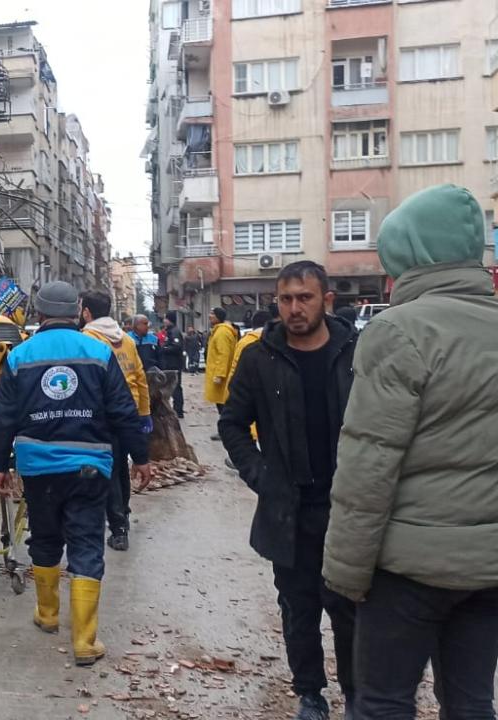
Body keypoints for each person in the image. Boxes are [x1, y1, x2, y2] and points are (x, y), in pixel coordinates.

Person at [322, 184, 498, 720]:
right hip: (488, 565)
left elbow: (368, 463)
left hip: (407, 570)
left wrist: (345, 573)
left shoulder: (398, 330)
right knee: (471, 703)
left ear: (412, 254)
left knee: (383, 703)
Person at [219, 261, 358, 720]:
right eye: (285, 299)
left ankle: (356, 694)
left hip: (350, 508)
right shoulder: (260, 358)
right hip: (289, 509)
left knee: (350, 608)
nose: (294, 309)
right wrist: (260, 475)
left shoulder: (355, 351)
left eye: (305, 297)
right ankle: (310, 694)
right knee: (299, 607)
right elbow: (233, 424)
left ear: (326, 300)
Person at [0, 282, 152, 667]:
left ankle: (47, 615)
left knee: (45, 537)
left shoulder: (19, 356)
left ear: (38, 312)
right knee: (85, 543)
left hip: (37, 467)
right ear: (78, 310)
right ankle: (84, 641)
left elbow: (4, 418)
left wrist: (0, 465)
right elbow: (122, 411)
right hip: (89, 466)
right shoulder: (98, 352)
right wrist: (141, 457)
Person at [80, 291, 150, 553]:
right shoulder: (127, 340)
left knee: (106, 470)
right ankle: (124, 516)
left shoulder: (88, 339)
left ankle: (118, 528)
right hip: (128, 411)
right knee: (121, 466)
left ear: (87, 312)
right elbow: (140, 377)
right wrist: (144, 412)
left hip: (102, 414)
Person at [203, 307, 239, 427]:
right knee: (221, 403)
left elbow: (223, 355)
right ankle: (225, 428)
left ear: (218, 317)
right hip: (219, 373)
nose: (209, 316)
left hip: (221, 377)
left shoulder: (222, 332)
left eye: (212, 314)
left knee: (223, 404)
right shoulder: (219, 331)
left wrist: (219, 374)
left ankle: (227, 429)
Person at [158, 312, 185, 418]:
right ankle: (173, 409)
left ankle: (178, 410)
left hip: (174, 365)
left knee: (176, 387)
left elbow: (176, 347)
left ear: (170, 320)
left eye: (165, 319)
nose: (164, 321)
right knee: (170, 387)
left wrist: (163, 349)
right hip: (169, 364)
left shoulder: (174, 332)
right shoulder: (169, 331)